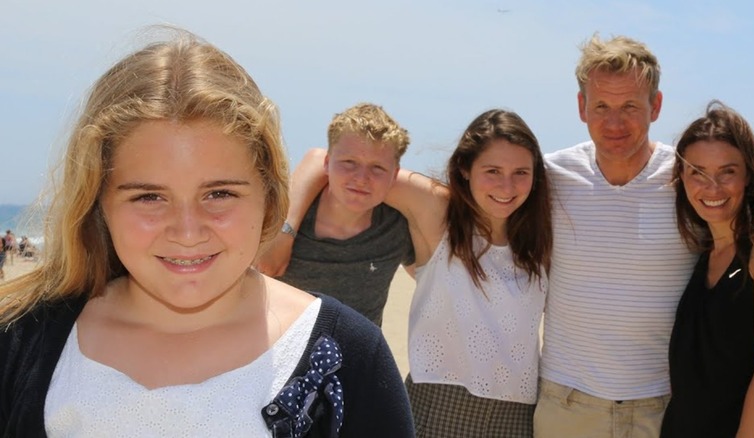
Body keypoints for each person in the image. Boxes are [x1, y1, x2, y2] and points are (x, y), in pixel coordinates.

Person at [0, 28, 414, 437]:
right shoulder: (20, 339)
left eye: (218, 193)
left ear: (269, 195)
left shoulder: (352, 359)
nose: (187, 231)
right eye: (148, 197)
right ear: (97, 203)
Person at [282, 109, 552, 437]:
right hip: (434, 403)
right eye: (492, 170)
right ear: (465, 169)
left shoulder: (543, 235)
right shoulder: (438, 211)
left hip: (518, 413)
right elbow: (325, 161)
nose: (506, 186)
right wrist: (287, 228)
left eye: (520, 172)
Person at [533, 34, 698, 437]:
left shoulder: (691, 181)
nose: (614, 123)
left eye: (630, 107)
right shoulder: (548, 178)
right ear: (581, 106)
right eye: (601, 106)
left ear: (655, 106)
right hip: (565, 406)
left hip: (662, 410)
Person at [660, 101, 754, 437]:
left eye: (727, 171)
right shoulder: (703, 252)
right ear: (681, 178)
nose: (712, 188)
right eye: (698, 172)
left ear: (749, 174)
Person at [257, 103, 414, 326]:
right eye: (349, 163)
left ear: (395, 174)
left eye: (377, 168)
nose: (361, 178)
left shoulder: (397, 226)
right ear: (327, 162)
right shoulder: (284, 216)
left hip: (359, 358)